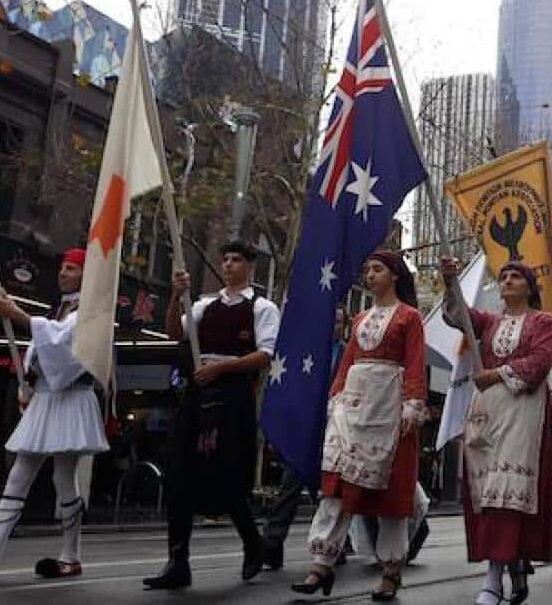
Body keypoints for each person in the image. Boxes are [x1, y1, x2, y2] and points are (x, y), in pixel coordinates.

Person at [0, 248, 107, 579]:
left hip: (71, 399)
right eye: (62, 267)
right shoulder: (60, 309)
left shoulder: (91, 310)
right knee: (20, 473)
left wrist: (21, 316)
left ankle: (71, 555)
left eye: (71, 268)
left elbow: (65, 345)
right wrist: (27, 383)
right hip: (47, 398)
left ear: (86, 276)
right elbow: (42, 351)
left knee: (64, 478)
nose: (62, 273)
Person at [291, 251, 428, 600]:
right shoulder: (361, 319)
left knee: (390, 491)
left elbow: (415, 363)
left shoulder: (410, 317)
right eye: (367, 269)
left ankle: (391, 571)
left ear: (395, 275)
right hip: (352, 407)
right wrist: (335, 398)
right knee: (336, 484)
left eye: (377, 269)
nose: (370, 275)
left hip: (388, 408)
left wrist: (413, 404)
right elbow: (348, 361)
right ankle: (321, 565)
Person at [144, 241, 280, 589]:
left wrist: (222, 368)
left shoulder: (262, 307)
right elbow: (174, 333)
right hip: (197, 395)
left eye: (237, 260)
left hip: (233, 399)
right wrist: (176, 296)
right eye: (226, 259)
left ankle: (252, 542)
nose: (229, 265)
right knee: (181, 475)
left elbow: (265, 355)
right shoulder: (204, 304)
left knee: (228, 474)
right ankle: (177, 560)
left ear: (251, 266)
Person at [441, 258, 552, 605]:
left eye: (515, 277)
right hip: (487, 414)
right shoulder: (490, 322)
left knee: (506, 491)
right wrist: (450, 281)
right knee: (486, 491)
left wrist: (495, 374)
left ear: (529, 286)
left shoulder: (543, 321)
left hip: (523, 412)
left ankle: (493, 581)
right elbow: (458, 315)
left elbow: (539, 363)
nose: (506, 281)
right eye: (503, 276)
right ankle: (511, 562)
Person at [262, 306, 351, 571]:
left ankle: (336, 545)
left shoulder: (347, 353)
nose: (332, 326)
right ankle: (271, 546)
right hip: (305, 434)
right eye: (329, 320)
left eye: (337, 322)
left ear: (343, 326)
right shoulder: (307, 351)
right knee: (289, 486)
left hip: (333, 432)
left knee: (328, 494)